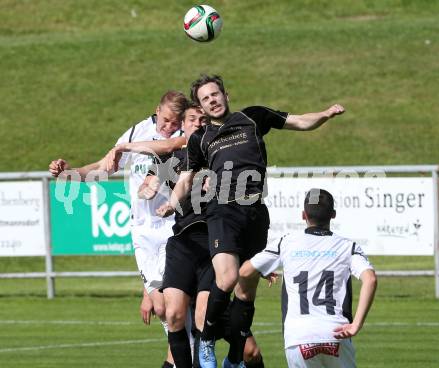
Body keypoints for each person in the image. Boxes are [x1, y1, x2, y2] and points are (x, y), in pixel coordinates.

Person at [157, 74, 346, 367]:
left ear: (226, 95)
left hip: (255, 213)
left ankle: (234, 359)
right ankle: (206, 340)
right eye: (206, 98)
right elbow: (185, 178)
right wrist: (172, 204)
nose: (213, 100)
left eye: (216, 94)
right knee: (228, 277)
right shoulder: (200, 139)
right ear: (202, 107)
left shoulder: (253, 118)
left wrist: (324, 114)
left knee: (245, 289)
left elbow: (299, 121)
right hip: (222, 211)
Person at [112, 103, 266, 368]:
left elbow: (243, 209)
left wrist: (253, 256)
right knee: (172, 314)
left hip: (213, 248)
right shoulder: (171, 161)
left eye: (202, 119)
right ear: (183, 126)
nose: (197, 122)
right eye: (191, 119)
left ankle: (229, 354)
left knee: (244, 347)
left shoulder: (220, 155)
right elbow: (146, 190)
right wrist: (149, 188)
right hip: (183, 245)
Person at [49, 90, 188, 368]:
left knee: (176, 308)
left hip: (174, 225)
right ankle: (187, 355)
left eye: (175, 122)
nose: (169, 126)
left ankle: (188, 358)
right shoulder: (136, 131)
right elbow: (104, 167)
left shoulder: (184, 136)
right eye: (166, 120)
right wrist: (69, 173)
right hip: (142, 230)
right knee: (161, 307)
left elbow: (177, 146)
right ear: (156, 110)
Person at [240, 188, 378, 368]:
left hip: (299, 338)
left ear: (303, 215)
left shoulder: (286, 242)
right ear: (333, 215)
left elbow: (244, 271)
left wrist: (254, 282)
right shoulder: (348, 246)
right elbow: (371, 279)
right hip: (337, 334)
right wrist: (356, 325)